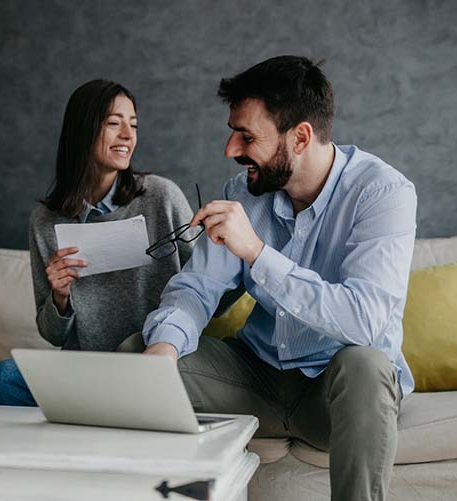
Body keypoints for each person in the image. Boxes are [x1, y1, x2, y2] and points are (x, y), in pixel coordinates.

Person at [141, 56, 417, 501]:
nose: (231, 150)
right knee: (138, 354)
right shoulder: (243, 192)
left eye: (246, 136)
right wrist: (163, 348)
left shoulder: (383, 194)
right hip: (258, 380)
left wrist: (256, 252)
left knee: (367, 365)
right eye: (233, 132)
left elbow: (365, 322)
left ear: (301, 137)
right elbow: (199, 288)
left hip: (337, 394)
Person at [0, 79, 195, 406]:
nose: (128, 134)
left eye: (133, 124)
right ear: (83, 131)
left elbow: (207, 288)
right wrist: (59, 297)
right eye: (114, 123)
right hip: (87, 366)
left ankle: (101, 416)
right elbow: (53, 335)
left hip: (152, 361)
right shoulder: (45, 220)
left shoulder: (160, 197)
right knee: (4, 378)